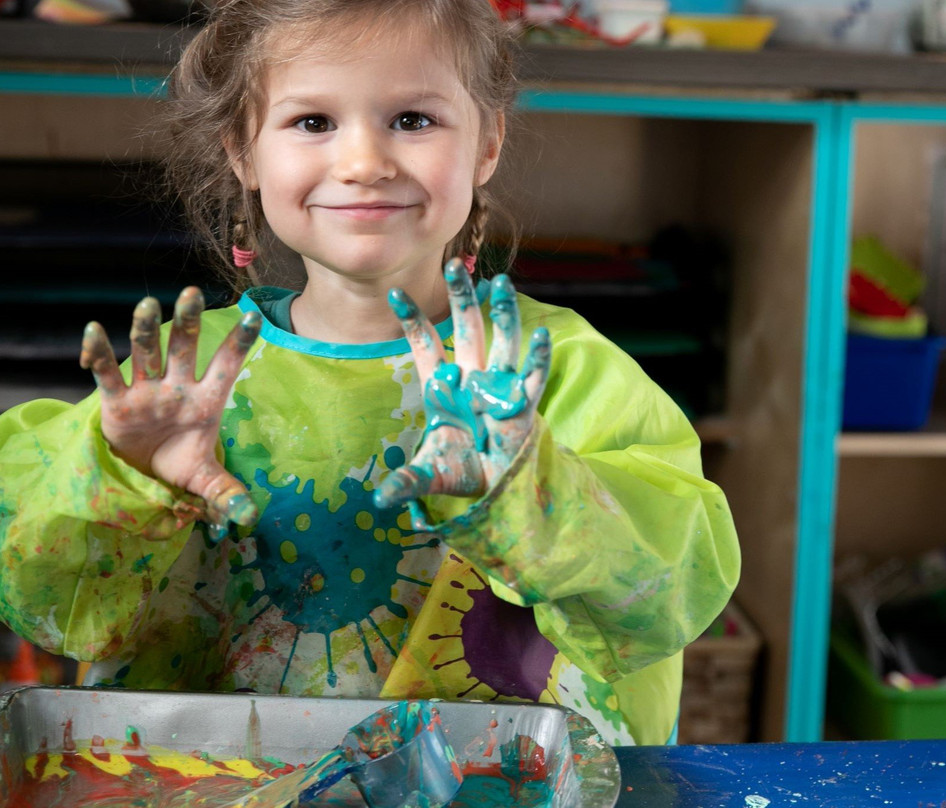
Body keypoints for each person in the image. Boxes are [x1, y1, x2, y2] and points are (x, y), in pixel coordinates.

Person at [0, 0, 739, 746]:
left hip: (486, 783)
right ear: (243, 151)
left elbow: (671, 593)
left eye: (413, 120)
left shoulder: (558, 371)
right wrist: (124, 473)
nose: (363, 163)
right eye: (313, 121)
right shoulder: (183, 386)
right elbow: (44, 598)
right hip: (213, 781)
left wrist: (531, 488)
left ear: (487, 143)